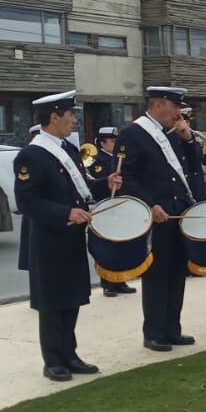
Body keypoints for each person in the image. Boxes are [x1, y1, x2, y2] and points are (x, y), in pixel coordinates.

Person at [14, 90, 119, 381]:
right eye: (70, 114)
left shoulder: (69, 150)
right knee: (51, 302)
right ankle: (53, 360)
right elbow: (27, 202)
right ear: (54, 117)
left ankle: (70, 354)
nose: (74, 119)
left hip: (72, 237)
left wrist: (104, 183)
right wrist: (66, 214)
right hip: (48, 240)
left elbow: (81, 189)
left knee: (72, 297)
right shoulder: (32, 155)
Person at [115, 86, 203, 352]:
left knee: (177, 273)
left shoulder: (171, 134)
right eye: (175, 107)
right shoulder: (133, 134)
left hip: (177, 213)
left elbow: (191, 169)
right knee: (157, 275)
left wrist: (188, 140)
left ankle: (172, 329)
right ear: (159, 104)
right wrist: (149, 204)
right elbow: (124, 177)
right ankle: (153, 332)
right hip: (156, 216)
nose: (178, 113)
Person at [88, 126, 135, 297]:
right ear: (102, 143)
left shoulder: (119, 158)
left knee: (121, 245)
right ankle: (107, 283)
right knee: (106, 247)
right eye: (112, 141)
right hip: (106, 206)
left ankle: (120, 281)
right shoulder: (96, 160)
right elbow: (95, 185)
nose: (115, 144)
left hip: (120, 205)